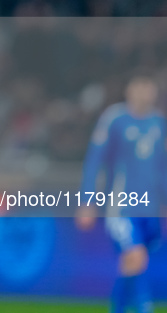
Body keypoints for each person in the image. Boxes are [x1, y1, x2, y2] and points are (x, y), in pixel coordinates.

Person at [76, 75, 167, 313]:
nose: (143, 93)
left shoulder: (159, 123)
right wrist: (87, 200)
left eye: (148, 88)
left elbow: (162, 168)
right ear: (128, 90)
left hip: (150, 208)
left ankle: (117, 309)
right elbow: (95, 161)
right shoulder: (115, 119)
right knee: (136, 257)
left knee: (131, 264)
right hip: (122, 205)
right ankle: (144, 308)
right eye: (138, 87)